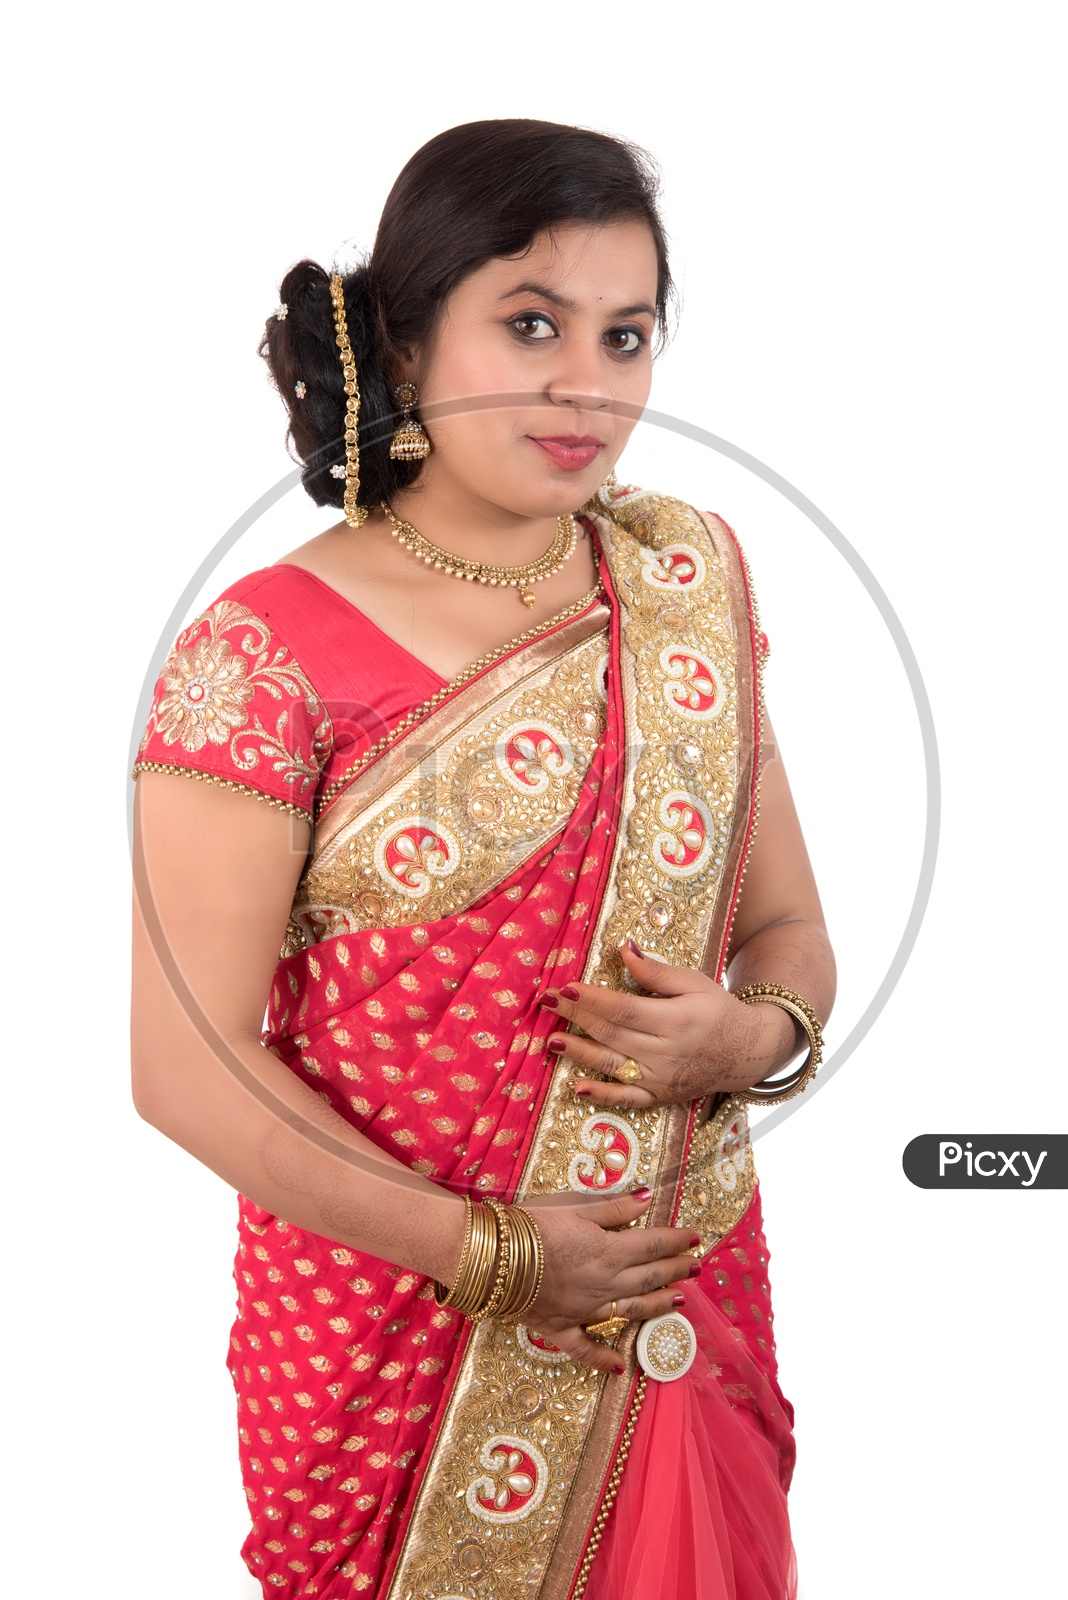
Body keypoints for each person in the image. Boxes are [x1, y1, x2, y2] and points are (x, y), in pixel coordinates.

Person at [131, 119, 836, 1600]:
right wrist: (498, 1253)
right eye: (530, 323)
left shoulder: (677, 588)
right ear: (400, 345)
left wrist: (752, 1032)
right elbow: (182, 1063)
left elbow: (785, 931)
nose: (585, 381)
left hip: (668, 1296)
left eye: (625, 335)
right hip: (384, 1334)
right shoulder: (261, 651)